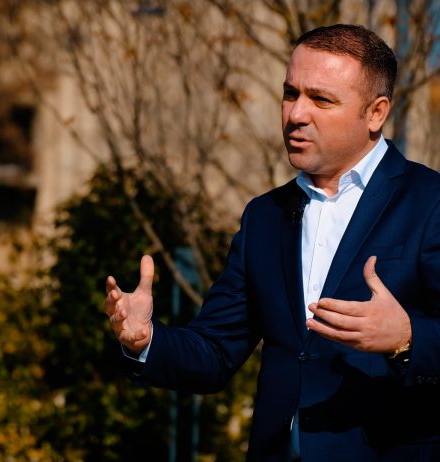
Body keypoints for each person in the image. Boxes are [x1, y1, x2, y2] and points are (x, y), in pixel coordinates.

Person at [105, 24, 440, 462]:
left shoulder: (429, 202)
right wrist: (145, 340)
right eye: (290, 93)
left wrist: (408, 338)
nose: (296, 113)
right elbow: (215, 352)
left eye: (321, 99)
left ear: (376, 113)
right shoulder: (265, 216)